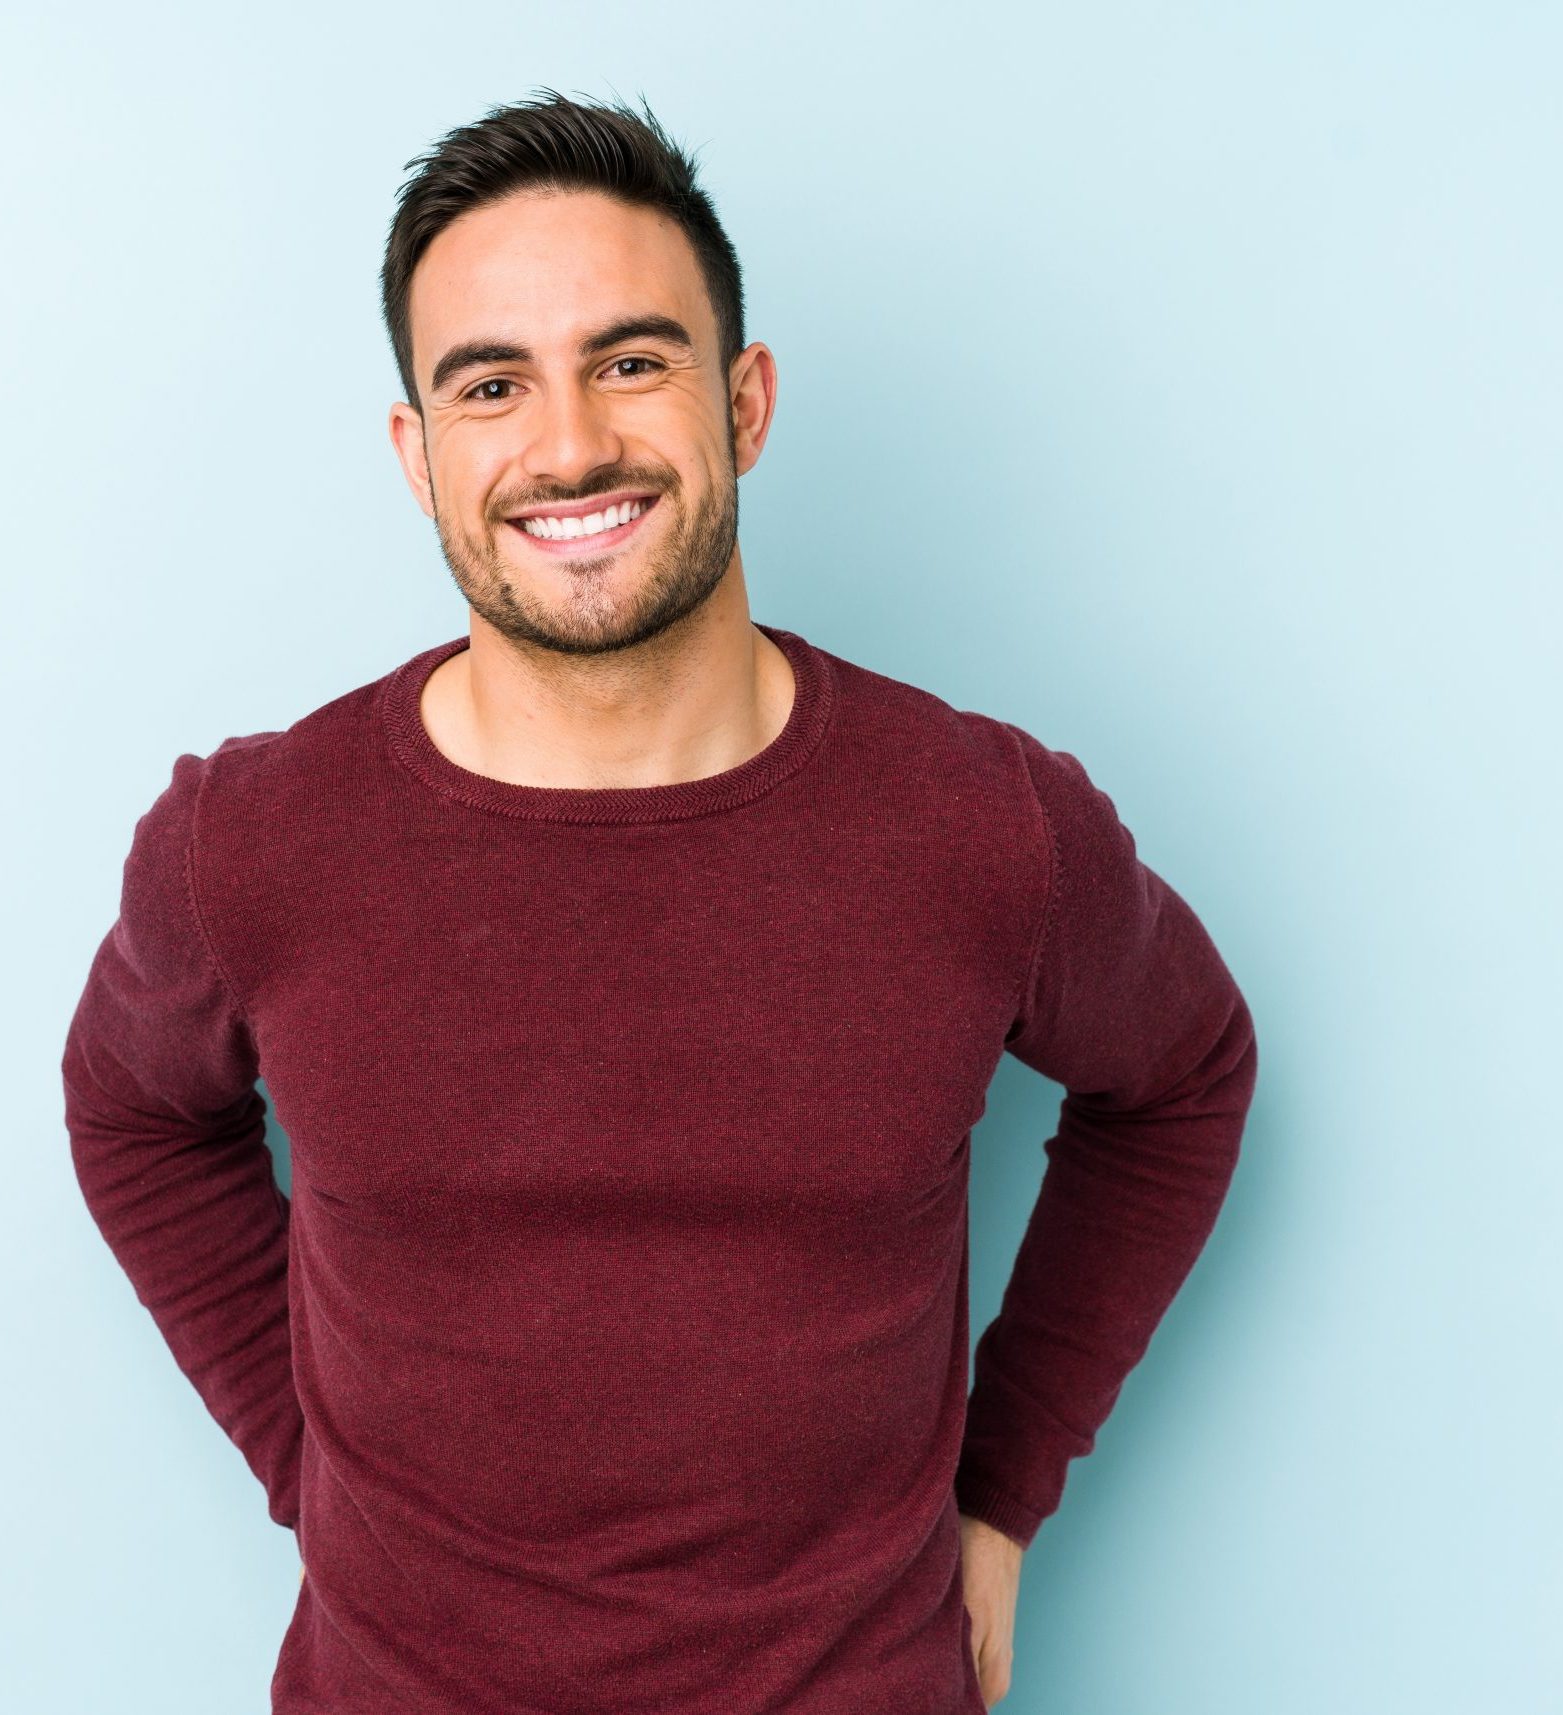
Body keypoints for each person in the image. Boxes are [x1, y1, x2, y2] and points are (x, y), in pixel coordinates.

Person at [61, 89, 1258, 1714]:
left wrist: (1003, 1490)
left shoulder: (985, 827)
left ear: (745, 402)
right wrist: (315, 1473)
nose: (570, 446)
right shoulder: (255, 842)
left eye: (632, 361)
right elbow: (130, 1112)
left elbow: (1181, 1076)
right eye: (494, 385)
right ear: (418, 454)